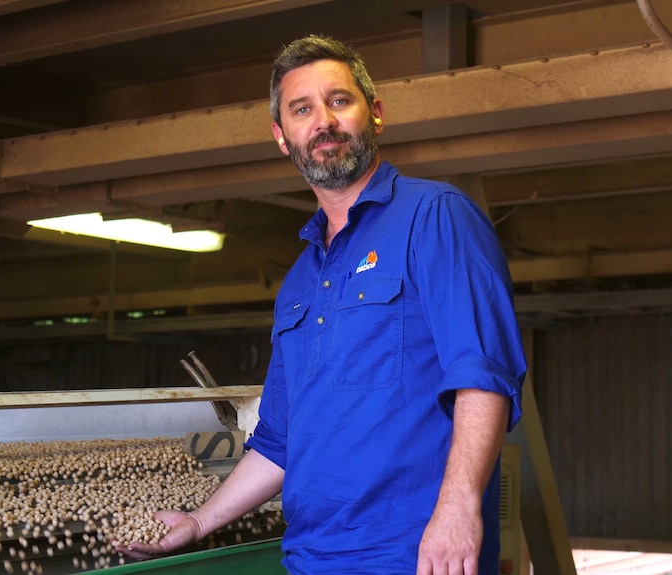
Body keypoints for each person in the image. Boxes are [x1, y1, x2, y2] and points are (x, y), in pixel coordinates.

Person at [117, 34, 526, 575]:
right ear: (283, 137)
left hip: (417, 556)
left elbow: (483, 376)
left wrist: (457, 509)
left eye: (339, 101)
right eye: (302, 109)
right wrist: (199, 520)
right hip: (312, 558)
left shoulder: (435, 216)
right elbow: (279, 439)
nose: (323, 121)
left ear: (374, 114)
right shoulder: (301, 282)